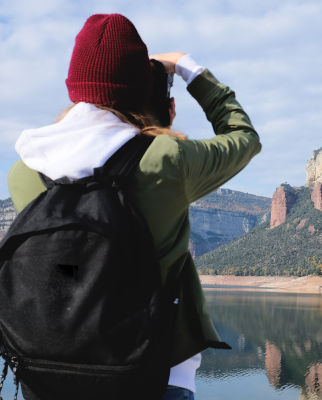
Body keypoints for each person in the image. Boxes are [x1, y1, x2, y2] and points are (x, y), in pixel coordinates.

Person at [7, 13, 261, 400]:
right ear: (140, 90)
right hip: (154, 376)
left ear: (75, 87)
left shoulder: (25, 169)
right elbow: (243, 137)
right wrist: (190, 69)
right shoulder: (166, 160)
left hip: (47, 377)